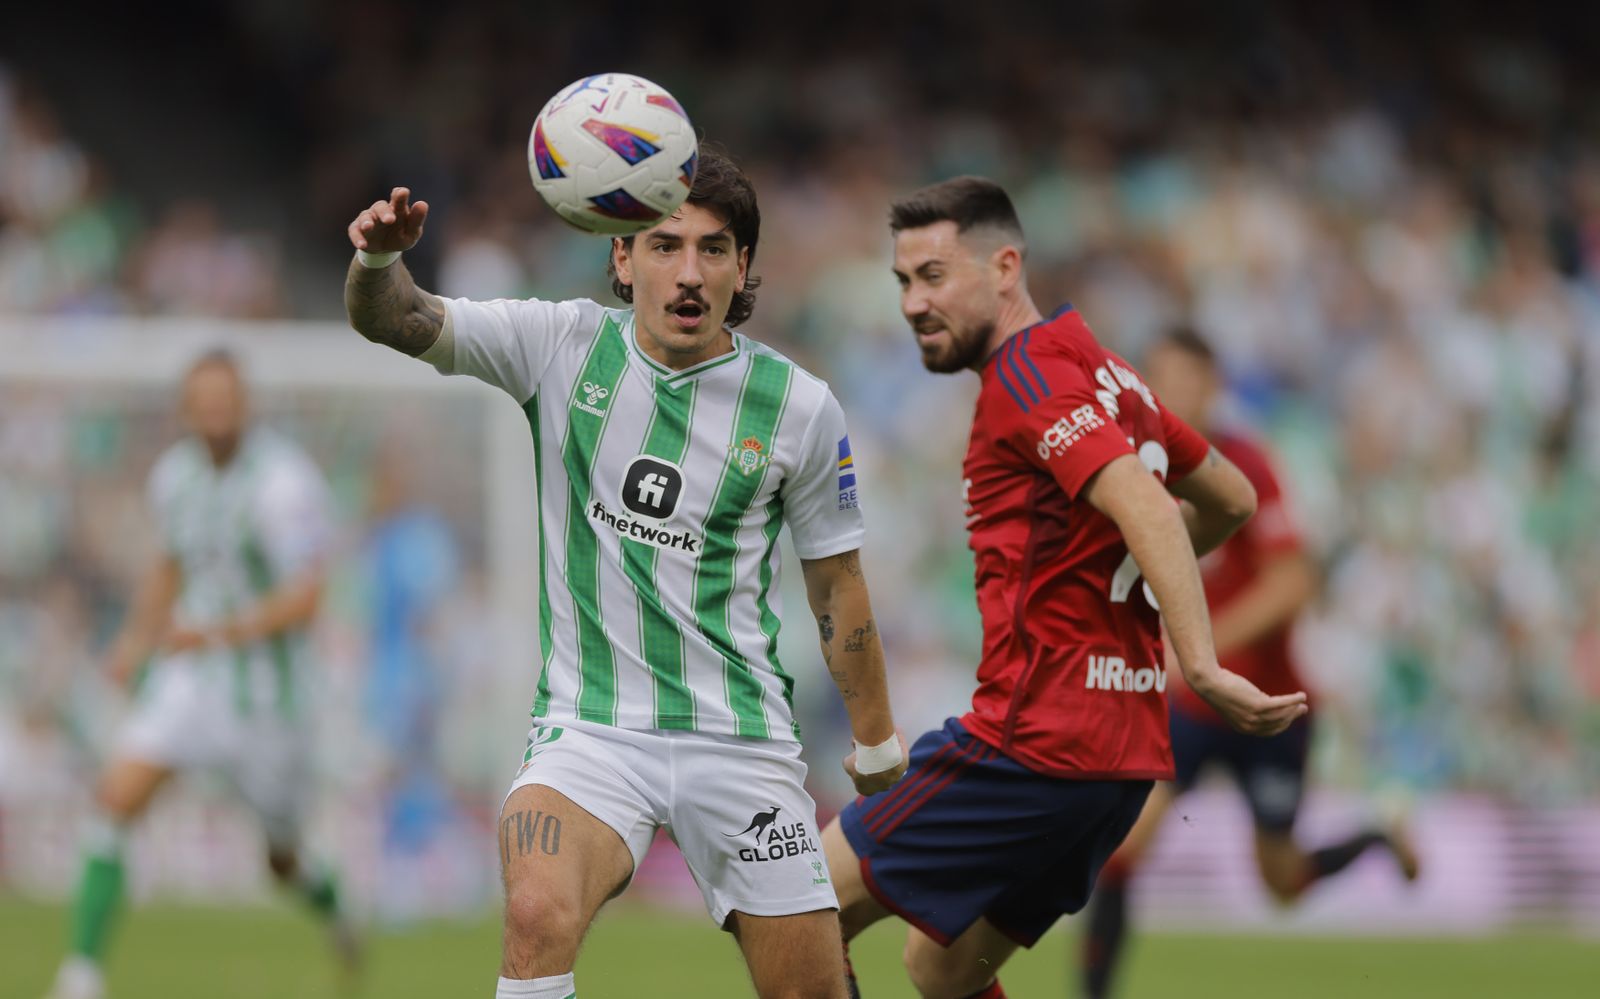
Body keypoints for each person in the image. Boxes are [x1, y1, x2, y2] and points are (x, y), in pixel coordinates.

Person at [344, 146, 909, 999]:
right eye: (663, 245)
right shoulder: (559, 345)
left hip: (741, 739)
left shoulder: (799, 406)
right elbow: (397, 317)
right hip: (593, 729)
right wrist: (379, 257)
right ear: (621, 255)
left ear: (742, 265)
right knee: (536, 912)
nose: (689, 273)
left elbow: (837, 584)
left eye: (714, 249)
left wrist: (876, 740)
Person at [819, 177, 1308, 999]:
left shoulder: (1028, 374)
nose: (912, 303)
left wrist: (1205, 660)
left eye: (934, 276)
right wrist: (1123, 571)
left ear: (1005, 266)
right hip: (1119, 765)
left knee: (795, 906)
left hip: (1033, 742)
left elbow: (1147, 504)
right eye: (902, 281)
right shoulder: (1110, 372)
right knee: (940, 968)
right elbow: (1230, 498)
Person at [1077, 328, 1420, 999]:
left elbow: (1293, 583)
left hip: (1269, 706)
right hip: (1192, 708)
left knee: (1281, 883)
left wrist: (1194, 645)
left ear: (1212, 387)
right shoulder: (1131, 471)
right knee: (1123, 848)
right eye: (1158, 378)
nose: (1169, 392)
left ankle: (1377, 835)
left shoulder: (1245, 467)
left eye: (1184, 379)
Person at [44, 351, 354, 999]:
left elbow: (307, 597)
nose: (215, 410)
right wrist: (133, 639)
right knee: (115, 799)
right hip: (192, 679)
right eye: (203, 399)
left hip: (271, 698)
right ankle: (80, 975)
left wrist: (213, 632)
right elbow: (169, 565)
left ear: (245, 405)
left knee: (282, 859)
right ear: (186, 409)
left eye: (226, 398)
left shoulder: (284, 482)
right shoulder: (174, 475)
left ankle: (333, 908)